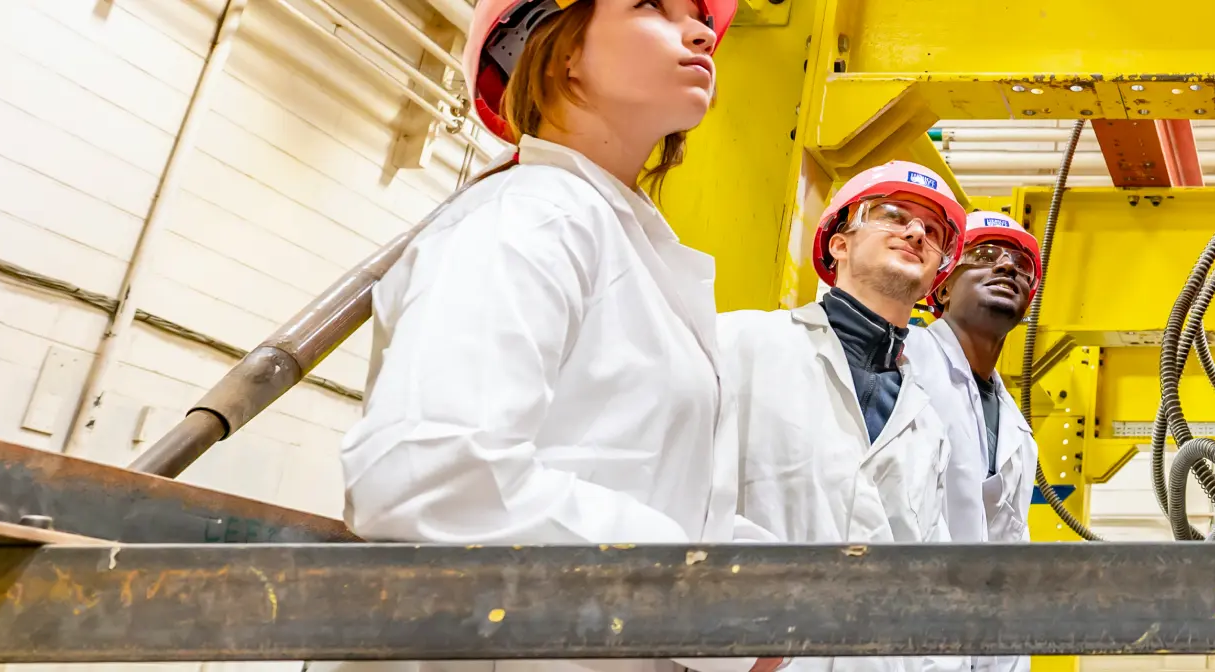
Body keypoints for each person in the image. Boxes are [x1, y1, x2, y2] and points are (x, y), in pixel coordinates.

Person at [329, 1, 780, 672]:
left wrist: (772, 585)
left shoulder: (625, 244)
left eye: (698, 16)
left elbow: (639, 483)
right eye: (654, 6)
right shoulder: (531, 217)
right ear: (559, 49)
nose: (700, 33)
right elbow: (430, 471)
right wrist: (702, 591)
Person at [719, 160, 962, 671]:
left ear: (937, 272)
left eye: (933, 231)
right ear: (839, 243)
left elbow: (930, 575)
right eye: (893, 215)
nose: (916, 231)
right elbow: (682, 499)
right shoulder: (739, 344)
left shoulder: (928, 424)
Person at [905, 211, 1042, 672]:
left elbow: (1008, 562)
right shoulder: (900, 364)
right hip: (893, 641)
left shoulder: (1019, 432)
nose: (1007, 267)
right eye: (983, 256)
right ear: (941, 287)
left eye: (1021, 265)